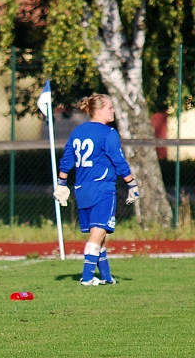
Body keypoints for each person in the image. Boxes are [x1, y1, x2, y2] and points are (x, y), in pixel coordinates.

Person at [54, 94, 139, 285]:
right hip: (102, 187)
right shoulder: (108, 133)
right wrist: (131, 184)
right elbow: (119, 162)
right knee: (98, 233)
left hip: (82, 188)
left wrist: (61, 183)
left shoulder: (78, 131)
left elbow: (67, 159)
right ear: (99, 110)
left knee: (101, 235)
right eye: (110, 107)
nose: (113, 110)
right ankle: (87, 277)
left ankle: (107, 277)